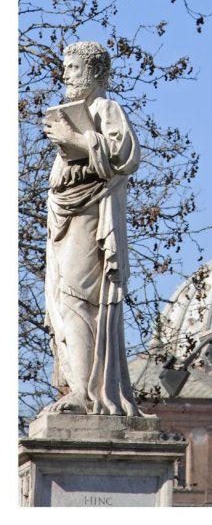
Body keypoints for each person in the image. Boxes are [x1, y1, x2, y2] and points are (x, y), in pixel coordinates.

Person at [43, 41, 141, 415]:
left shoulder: (105, 108)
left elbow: (126, 155)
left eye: (74, 67)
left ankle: (86, 393)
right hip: (63, 217)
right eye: (65, 67)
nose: (66, 74)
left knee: (80, 298)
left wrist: (74, 139)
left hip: (90, 217)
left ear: (97, 73)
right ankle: (76, 385)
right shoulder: (74, 112)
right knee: (63, 301)